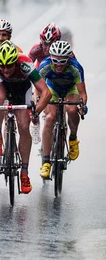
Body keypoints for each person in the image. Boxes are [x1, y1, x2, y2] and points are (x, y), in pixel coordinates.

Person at [0, 41, 51, 194]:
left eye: (9, 66)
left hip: (22, 89)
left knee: (24, 127)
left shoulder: (25, 64)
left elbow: (46, 92)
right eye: (2, 66)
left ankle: (24, 171)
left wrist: (36, 110)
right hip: (2, 85)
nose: (5, 69)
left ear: (15, 62)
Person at [37, 41, 87, 178]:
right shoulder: (44, 66)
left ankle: (73, 138)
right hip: (52, 89)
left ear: (69, 59)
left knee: (71, 109)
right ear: (50, 57)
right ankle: (46, 162)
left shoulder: (76, 67)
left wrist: (81, 106)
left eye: (63, 61)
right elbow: (38, 88)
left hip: (71, 89)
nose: (58, 64)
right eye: (55, 61)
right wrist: (38, 102)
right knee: (50, 118)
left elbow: (82, 93)